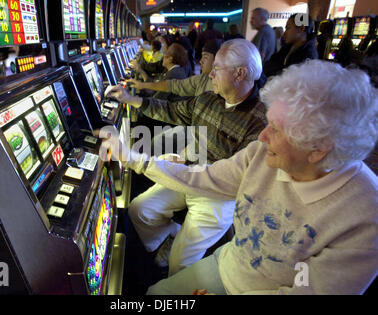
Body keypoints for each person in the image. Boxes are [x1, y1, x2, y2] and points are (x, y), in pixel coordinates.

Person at [97, 59, 378, 294]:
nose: (263, 136)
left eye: (276, 130)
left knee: (176, 263)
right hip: (231, 263)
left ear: (318, 149)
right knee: (155, 294)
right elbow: (203, 178)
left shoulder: (364, 217)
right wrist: (132, 157)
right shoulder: (260, 154)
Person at [104, 39, 267, 276]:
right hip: (188, 172)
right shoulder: (210, 98)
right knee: (139, 210)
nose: (209, 74)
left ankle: (176, 254)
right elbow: (173, 111)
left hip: (219, 193)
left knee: (179, 264)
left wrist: (186, 162)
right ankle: (171, 232)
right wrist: (132, 99)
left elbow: (235, 179)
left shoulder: (259, 123)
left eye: (216, 68)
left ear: (239, 73)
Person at [127, 39, 221, 98]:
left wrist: (135, 98)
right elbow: (169, 86)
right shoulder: (176, 71)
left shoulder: (174, 74)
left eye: (205, 57)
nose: (200, 61)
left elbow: (156, 97)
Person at [263, 13, 318, 78]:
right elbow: (268, 66)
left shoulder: (309, 57)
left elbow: (289, 79)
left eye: (288, 28)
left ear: (301, 28)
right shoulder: (288, 46)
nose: (284, 33)